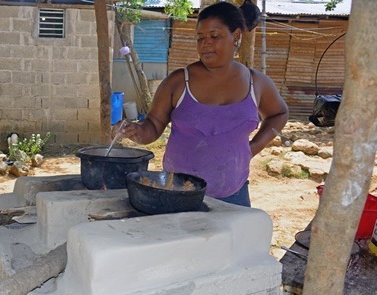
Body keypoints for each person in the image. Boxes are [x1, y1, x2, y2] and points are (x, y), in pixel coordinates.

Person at [115, 1, 288, 207]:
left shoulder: (256, 83)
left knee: (233, 240)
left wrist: (253, 147)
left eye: (214, 36)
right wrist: (136, 131)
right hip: (178, 194)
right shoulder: (178, 82)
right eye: (200, 38)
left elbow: (279, 114)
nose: (206, 44)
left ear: (236, 36)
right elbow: (152, 127)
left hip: (234, 194)